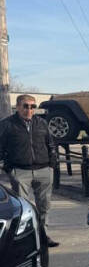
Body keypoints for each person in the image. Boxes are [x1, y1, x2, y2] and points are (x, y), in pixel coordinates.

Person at [0, 94, 59, 247]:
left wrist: (52, 165)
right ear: (18, 107)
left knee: (44, 206)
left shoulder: (42, 123)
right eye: (25, 106)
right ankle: (26, 240)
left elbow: (51, 144)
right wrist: (9, 168)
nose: (29, 109)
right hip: (20, 172)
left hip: (43, 170)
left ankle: (43, 236)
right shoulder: (7, 124)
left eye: (33, 106)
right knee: (23, 209)